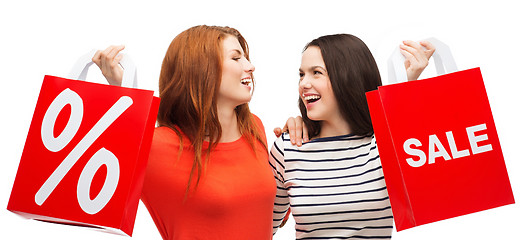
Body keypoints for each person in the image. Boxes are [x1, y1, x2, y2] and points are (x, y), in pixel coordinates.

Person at [93, 25, 277, 240]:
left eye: (246, 57)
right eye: (236, 58)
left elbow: (271, 213)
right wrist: (123, 91)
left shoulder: (255, 128)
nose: (250, 66)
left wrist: (298, 144)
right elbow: (90, 187)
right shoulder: (156, 147)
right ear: (202, 69)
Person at [269, 34, 434, 239]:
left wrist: (407, 83)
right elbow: (262, 227)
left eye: (316, 73)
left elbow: (433, 194)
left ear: (347, 76)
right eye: (301, 74)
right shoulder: (288, 147)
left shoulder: (384, 145)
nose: (304, 83)